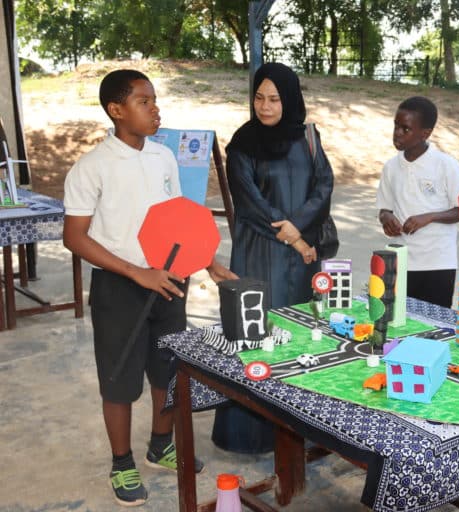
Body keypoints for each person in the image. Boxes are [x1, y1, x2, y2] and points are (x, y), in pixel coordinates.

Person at [63, 69, 236, 507]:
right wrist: (135, 272)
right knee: (119, 378)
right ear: (116, 111)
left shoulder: (163, 158)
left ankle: (161, 444)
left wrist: (209, 263)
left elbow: (180, 220)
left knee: (167, 370)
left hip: (171, 279)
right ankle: (121, 465)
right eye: (144, 101)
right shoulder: (92, 167)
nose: (155, 109)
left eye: (155, 100)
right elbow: (75, 237)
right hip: (120, 285)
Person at [212, 62, 334, 454]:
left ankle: (302, 430)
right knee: (257, 335)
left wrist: (300, 229)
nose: (265, 106)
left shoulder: (309, 137)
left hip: (302, 256)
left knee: (303, 336)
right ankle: (253, 435)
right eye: (259, 98)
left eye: (275, 99)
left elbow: (323, 184)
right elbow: (251, 203)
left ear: (291, 99)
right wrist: (295, 239)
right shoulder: (241, 145)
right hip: (260, 254)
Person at [376, 96, 459, 307]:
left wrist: (431, 216)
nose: (397, 133)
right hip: (401, 262)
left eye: (405, 129)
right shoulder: (391, 167)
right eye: (396, 126)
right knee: (399, 323)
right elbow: (384, 208)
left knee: (434, 328)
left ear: (425, 133)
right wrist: (386, 218)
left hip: (438, 264)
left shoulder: (446, 165)